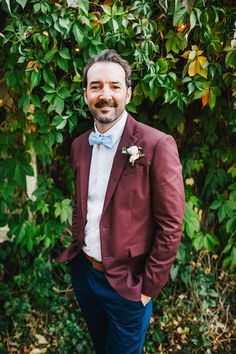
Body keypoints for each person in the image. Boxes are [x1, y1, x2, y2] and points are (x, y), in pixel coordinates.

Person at [55, 49, 185, 354]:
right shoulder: (79, 145)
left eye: (114, 86)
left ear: (128, 92)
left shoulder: (156, 145)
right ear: (86, 93)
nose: (105, 94)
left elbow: (171, 224)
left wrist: (148, 288)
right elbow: (82, 205)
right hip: (86, 277)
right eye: (96, 86)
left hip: (129, 285)